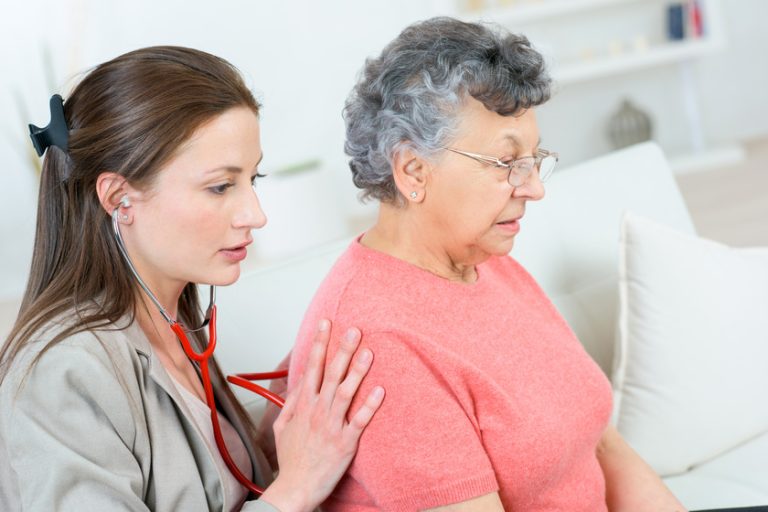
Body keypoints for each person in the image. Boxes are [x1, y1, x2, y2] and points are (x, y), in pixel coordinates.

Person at [287, 17, 687, 511]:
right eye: (507, 163)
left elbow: (603, 445)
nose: (534, 187)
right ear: (413, 170)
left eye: (534, 159)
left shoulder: (484, 258)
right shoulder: (380, 346)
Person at [0, 46, 384, 512]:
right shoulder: (64, 370)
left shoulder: (172, 322)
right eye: (220, 187)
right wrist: (296, 489)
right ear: (119, 198)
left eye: (252, 179)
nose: (255, 215)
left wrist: (268, 452)